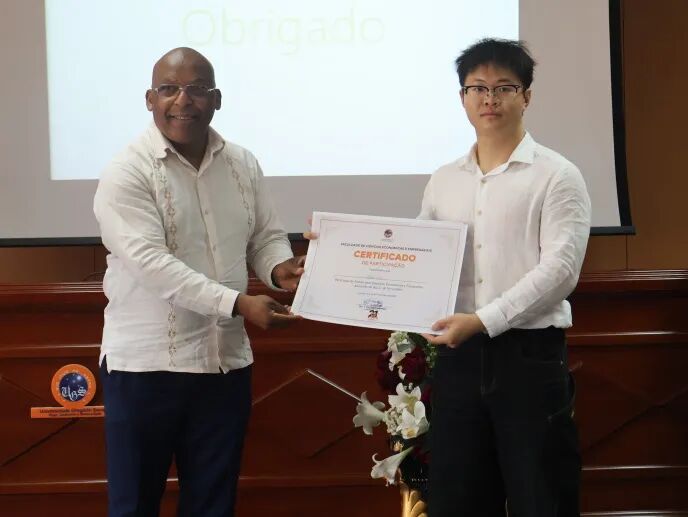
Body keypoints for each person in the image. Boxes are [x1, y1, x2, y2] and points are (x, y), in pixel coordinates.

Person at [93, 47, 304, 517]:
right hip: (145, 368)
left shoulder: (242, 163)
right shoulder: (127, 171)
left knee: (213, 506)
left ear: (217, 99)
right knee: (133, 506)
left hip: (223, 365)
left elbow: (265, 237)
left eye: (197, 89)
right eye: (169, 89)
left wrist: (279, 269)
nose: (182, 100)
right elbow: (150, 264)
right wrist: (239, 303)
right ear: (150, 99)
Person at [419, 39, 591, 516]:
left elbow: (560, 271)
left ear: (526, 96)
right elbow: (420, 257)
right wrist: (340, 251)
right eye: (477, 88)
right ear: (462, 98)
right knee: (458, 500)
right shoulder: (444, 179)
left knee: (542, 497)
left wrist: (483, 320)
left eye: (503, 87)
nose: (489, 99)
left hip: (528, 358)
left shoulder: (557, 176)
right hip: (457, 359)